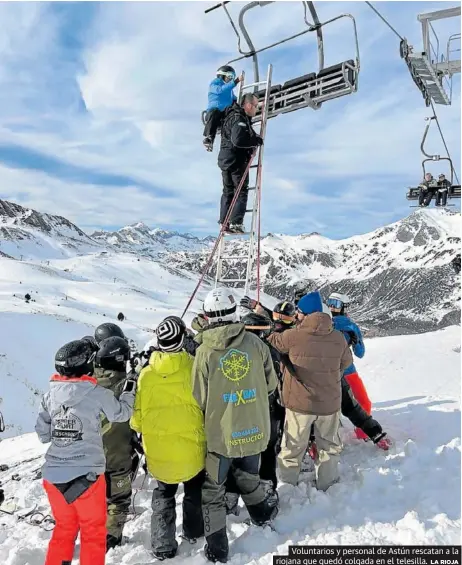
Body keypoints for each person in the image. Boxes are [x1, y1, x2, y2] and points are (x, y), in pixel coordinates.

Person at [191, 287, 279, 563]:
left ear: (208, 316)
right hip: (254, 428)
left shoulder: (205, 352)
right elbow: (271, 385)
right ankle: (261, 514)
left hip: (221, 436)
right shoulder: (256, 344)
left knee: (213, 490)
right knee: (248, 477)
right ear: (234, 312)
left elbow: (199, 397)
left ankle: (218, 548)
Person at [35, 339, 135, 565]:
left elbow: (43, 435)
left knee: (64, 530)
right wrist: (129, 390)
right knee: (92, 533)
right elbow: (121, 414)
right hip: (87, 477)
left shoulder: (49, 395)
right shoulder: (97, 393)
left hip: (53, 478)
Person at [130, 318, 206, 561]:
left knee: (164, 493)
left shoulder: (145, 376)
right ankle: (194, 531)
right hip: (192, 448)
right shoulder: (194, 367)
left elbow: (136, 421)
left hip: (159, 452)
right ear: (183, 340)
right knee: (194, 489)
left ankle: (163, 543)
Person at [267, 291, 353, 490]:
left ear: (304, 314)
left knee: (292, 447)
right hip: (329, 403)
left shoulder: (293, 336)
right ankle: (328, 484)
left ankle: (288, 484)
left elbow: (272, 340)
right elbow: (345, 363)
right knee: (329, 447)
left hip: (300, 404)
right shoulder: (338, 337)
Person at [93, 335, 137, 551]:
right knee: (119, 500)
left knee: (96, 496)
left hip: (91, 455)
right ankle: (111, 537)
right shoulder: (128, 385)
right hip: (119, 456)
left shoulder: (89, 384)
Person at [327, 292, 371, 442]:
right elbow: (360, 353)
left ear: (343, 307)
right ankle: (363, 432)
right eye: (331, 303)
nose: (332, 307)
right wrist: (355, 340)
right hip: (347, 371)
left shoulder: (320, 322)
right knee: (363, 402)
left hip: (327, 372)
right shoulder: (350, 326)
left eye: (335, 304)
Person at [218, 93, 263, 234]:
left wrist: (253, 136)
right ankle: (236, 222)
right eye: (256, 106)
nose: (257, 109)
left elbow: (241, 134)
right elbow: (238, 140)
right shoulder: (239, 118)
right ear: (248, 105)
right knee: (241, 190)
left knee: (228, 191)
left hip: (225, 159)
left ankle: (224, 222)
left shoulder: (233, 116)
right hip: (236, 160)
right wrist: (255, 141)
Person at [203, 65, 243, 152]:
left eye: (232, 77)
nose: (230, 79)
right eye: (229, 76)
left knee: (234, 112)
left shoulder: (229, 90)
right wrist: (236, 81)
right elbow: (220, 90)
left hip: (225, 113)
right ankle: (209, 138)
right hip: (215, 111)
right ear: (222, 75)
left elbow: (234, 99)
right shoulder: (214, 84)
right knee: (215, 112)